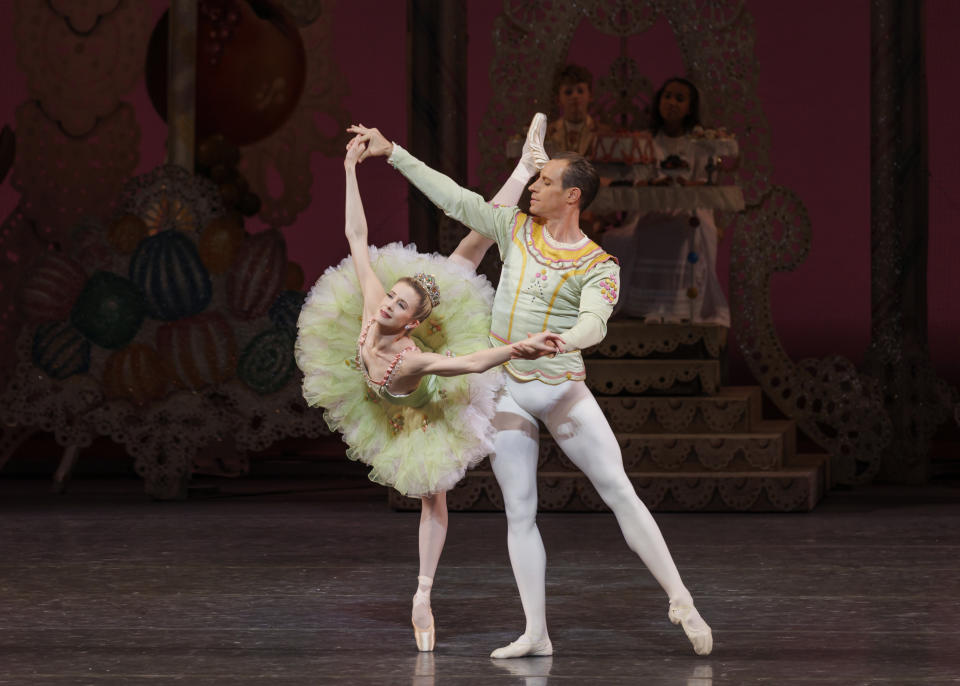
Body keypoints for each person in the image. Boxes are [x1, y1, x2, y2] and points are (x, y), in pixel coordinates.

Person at [349, 123, 714, 659]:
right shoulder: (514, 228)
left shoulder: (597, 264)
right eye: (533, 179)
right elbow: (453, 197)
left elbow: (596, 323)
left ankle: (681, 600)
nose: (532, 188)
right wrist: (394, 152)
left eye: (543, 181)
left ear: (572, 196)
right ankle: (536, 633)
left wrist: (562, 340)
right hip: (504, 392)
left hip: (560, 389)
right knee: (520, 512)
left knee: (618, 490)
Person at [295, 133, 563, 653]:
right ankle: (525, 166)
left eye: (397, 305)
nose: (385, 304)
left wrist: (517, 350)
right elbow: (356, 236)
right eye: (390, 297)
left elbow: (467, 361)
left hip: (427, 409)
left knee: (433, 498)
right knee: (466, 249)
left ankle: (423, 595)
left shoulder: (413, 355)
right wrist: (350, 169)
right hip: (379, 402)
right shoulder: (376, 306)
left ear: (414, 323)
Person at [602, 77, 736, 325]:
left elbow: (706, 182)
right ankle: (648, 305)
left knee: (685, 232)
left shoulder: (700, 143)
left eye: (679, 98)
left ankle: (679, 307)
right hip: (650, 211)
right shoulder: (645, 141)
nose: (672, 103)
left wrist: (685, 188)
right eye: (667, 96)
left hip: (688, 213)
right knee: (642, 232)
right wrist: (653, 185)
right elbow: (637, 178)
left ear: (689, 107)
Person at [545, 64, 608, 157]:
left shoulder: (603, 133)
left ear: (590, 96)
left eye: (580, 91)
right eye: (568, 92)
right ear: (558, 99)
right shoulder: (548, 134)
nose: (575, 96)